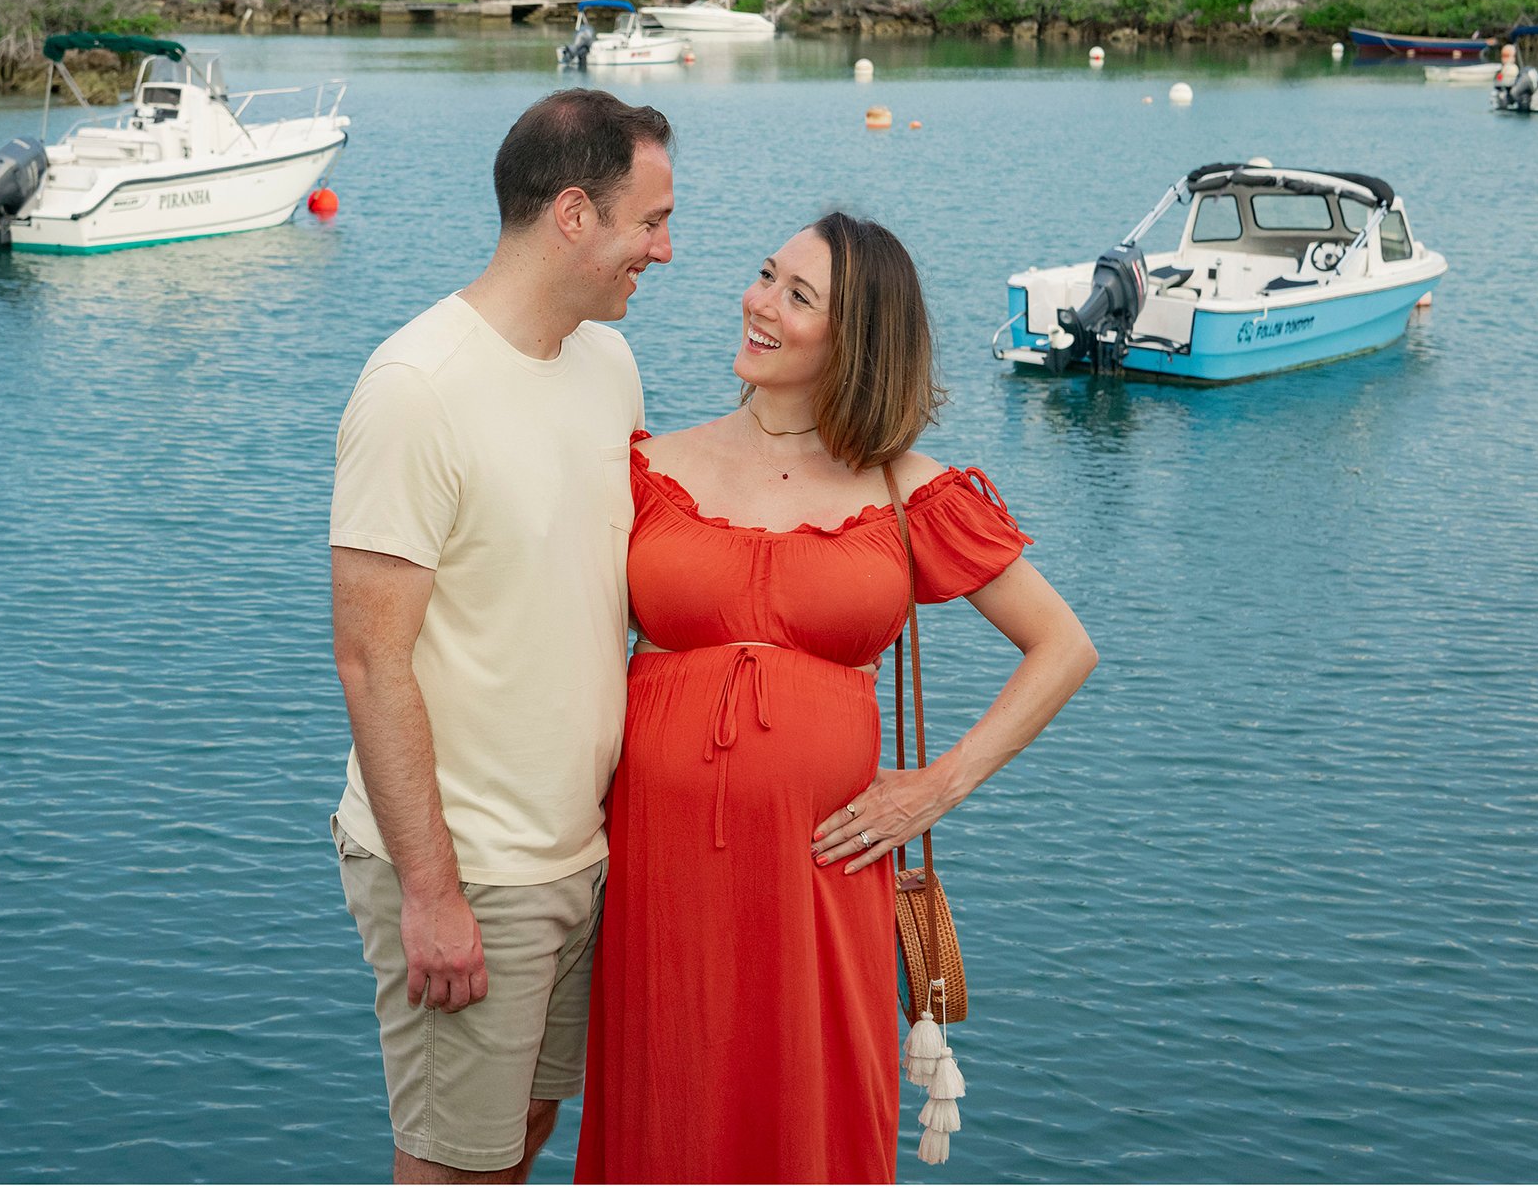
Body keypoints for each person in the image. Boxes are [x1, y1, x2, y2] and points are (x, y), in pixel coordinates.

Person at [575, 212, 1097, 1183]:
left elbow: (1060, 646)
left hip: (820, 877)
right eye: (765, 276)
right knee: (667, 1113)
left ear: (853, 339)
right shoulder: (647, 470)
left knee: (810, 1121)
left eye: (795, 294)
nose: (757, 302)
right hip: (662, 873)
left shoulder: (905, 491)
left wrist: (937, 786)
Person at [329, 89, 676, 1183]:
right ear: (572, 215)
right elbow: (370, 659)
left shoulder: (605, 365)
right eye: (650, 221)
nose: (663, 252)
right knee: (451, 1164)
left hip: (581, 855)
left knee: (517, 1136)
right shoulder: (415, 388)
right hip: (469, 868)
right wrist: (432, 893)